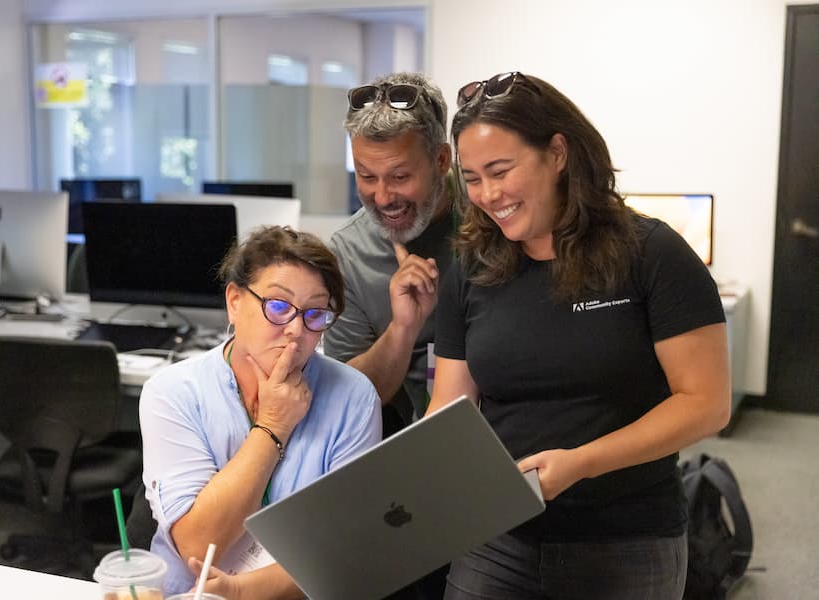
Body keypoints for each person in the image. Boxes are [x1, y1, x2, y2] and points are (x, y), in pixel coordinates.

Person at [428, 71, 731, 599]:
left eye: (501, 171)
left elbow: (706, 404)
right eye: (472, 178)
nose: (488, 195)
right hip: (498, 536)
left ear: (557, 154)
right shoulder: (472, 268)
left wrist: (582, 462)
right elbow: (449, 407)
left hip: (626, 537)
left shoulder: (651, 253)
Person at [139, 226, 382, 598]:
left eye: (315, 314)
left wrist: (242, 591)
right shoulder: (174, 392)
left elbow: (344, 550)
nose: (296, 330)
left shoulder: (353, 397)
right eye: (279, 307)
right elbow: (199, 547)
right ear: (235, 302)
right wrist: (272, 426)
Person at [325, 72, 458, 437]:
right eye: (367, 176)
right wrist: (403, 329)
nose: (383, 198)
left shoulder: (492, 216)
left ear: (441, 160)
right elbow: (347, 400)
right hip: (417, 443)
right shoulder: (350, 252)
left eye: (400, 177)